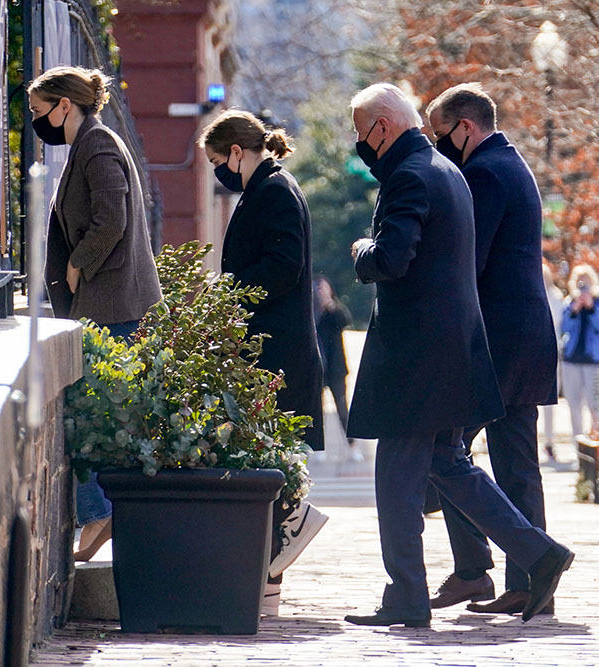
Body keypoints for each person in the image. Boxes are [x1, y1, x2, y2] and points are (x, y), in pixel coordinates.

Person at [343, 83, 574, 627]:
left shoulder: (413, 175)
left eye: (360, 133)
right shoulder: (447, 172)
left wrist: (361, 250)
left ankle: (406, 595)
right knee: (449, 464)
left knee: (398, 477)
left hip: (419, 354)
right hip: (456, 349)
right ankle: (539, 555)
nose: (360, 144)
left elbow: (394, 259)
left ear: (381, 127)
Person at [423, 83, 560, 616]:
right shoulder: (512, 163)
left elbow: (468, 259)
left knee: (446, 449)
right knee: (515, 463)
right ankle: (525, 580)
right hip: (524, 336)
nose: (439, 148)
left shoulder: (483, 171)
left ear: (464, 127)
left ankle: (475, 571)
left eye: (440, 135)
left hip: (497, 341)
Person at [29, 66, 162, 561]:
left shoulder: (99, 145)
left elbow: (112, 220)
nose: (38, 122)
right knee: (100, 417)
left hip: (115, 308)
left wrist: (78, 264)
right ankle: (101, 512)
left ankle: (99, 513)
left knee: (91, 417)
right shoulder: (89, 145)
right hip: (107, 306)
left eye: (41, 111)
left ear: (66, 105)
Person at [198, 109, 328, 615]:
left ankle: (291, 531)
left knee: (271, 455)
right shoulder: (270, 187)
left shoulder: (273, 190)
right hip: (273, 342)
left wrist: (228, 289)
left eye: (217, 160)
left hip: (277, 346)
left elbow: (283, 263)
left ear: (237, 151)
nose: (218, 172)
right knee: (268, 452)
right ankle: (268, 582)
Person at [561, 264, 599, 438]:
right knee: (574, 406)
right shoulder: (569, 302)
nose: (583, 286)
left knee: (598, 406)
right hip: (572, 360)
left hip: (594, 361)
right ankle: (579, 447)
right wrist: (575, 310)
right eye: (579, 282)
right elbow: (563, 327)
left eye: (586, 282)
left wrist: (591, 307)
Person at [313, 275, 362, 461]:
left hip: (337, 368)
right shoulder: (313, 312)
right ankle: (320, 448)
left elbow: (345, 319)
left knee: (342, 408)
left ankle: (352, 445)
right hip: (319, 367)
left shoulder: (334, 312)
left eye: (323, 288)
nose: (321, 293)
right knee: (318, 409)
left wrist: (329, 304)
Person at [541, 263, 565, 461]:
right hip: (538, 350)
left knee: (550, 403)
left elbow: (557, 320)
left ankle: (549, 440)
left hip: (551, 351)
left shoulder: (555, 295)